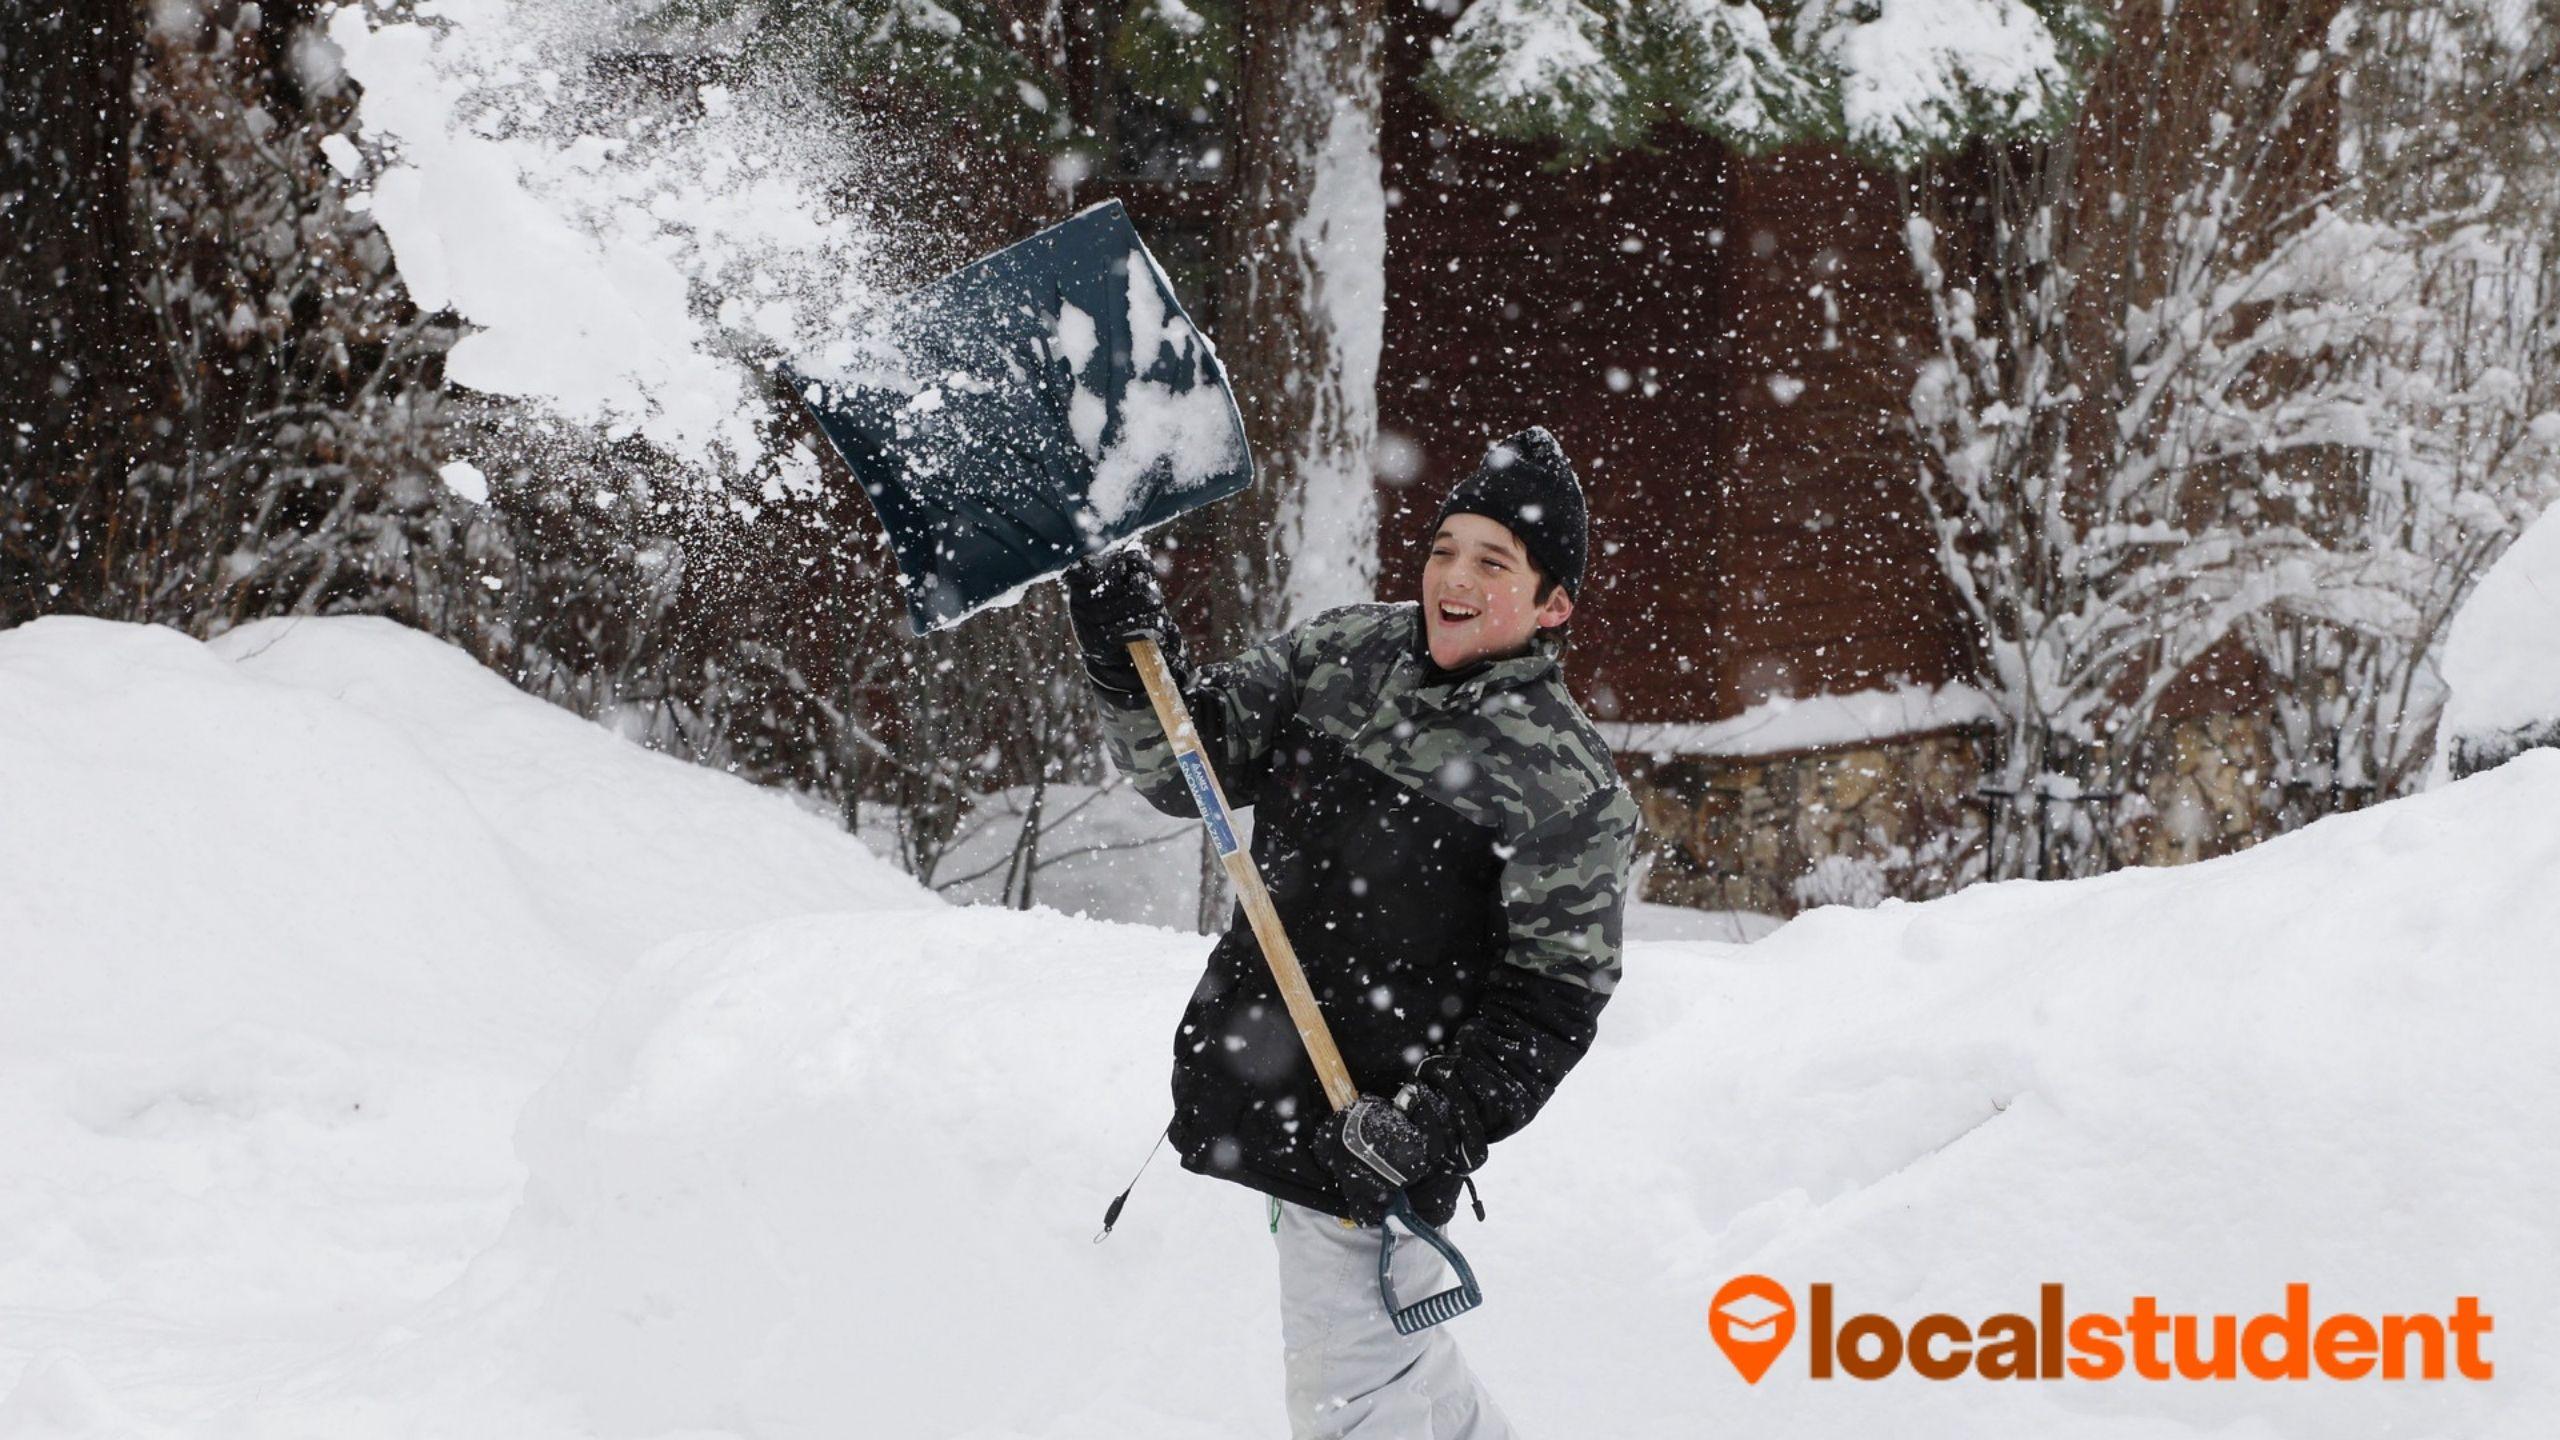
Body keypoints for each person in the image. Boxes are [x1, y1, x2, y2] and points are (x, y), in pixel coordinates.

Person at [1066, 427, 1639, 1439]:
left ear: (1554, 605)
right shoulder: (1340, 653)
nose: (1452, 577)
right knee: (1400, 1357)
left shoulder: (1568, 787)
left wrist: (1434, 1121)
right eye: (1443, 549)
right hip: (1273, 1082)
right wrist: (1127, 666)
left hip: (1368, 1135)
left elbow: (1552, 1001)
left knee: (1351, 1404)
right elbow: (1182, 770)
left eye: (1492, 561)